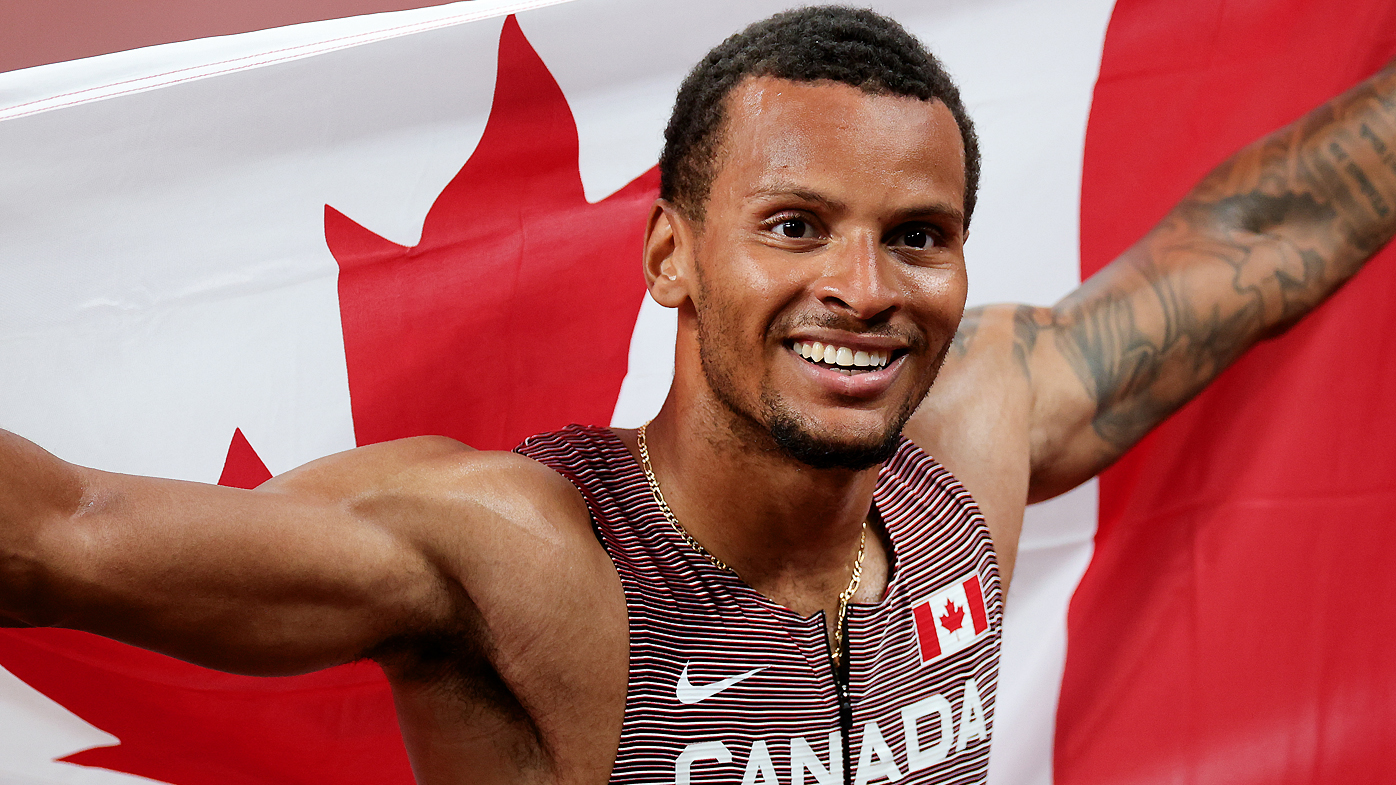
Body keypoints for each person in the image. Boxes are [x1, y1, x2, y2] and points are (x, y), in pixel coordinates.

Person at [1, 6, 1394, 784]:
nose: (864, 285)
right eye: (794, 226)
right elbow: (61, 533)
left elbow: (1264, 243)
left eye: (916, 234)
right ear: (670, 254)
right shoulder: (517, 554)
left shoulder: (982, 428)